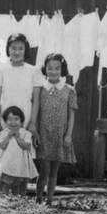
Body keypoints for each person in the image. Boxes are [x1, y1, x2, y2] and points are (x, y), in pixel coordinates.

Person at [0, 33, 44, 161]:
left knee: (23, 154)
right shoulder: (0, 70)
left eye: (20, 48)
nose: (17, 52)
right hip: (6, 115)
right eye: (13, 48)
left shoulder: (34, 71)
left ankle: (22, 181)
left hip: (25, 114)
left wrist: (33, 123)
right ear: (8, 49)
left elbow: (36, 99)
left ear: (25, 50)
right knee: (5, 154)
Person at [36, 52, 78, 204]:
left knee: (54, 171)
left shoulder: (69, 90)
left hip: (60, 135)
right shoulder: (40, 89)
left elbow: (71, 114)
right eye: (50, 68)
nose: (53, 71)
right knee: (44, 169)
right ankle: (38, 198)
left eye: (57, 68)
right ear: (45, 69)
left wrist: (68, 135)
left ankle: (49, 200)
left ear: (62, 70)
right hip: (44, 133)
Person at [0, 105, 37, 197]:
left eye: (16, 119)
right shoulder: (4, 132)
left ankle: (18, 202)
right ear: (5, 122)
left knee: (19, 191)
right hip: (7, 166)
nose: (13, 122)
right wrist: (9, 136)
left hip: (21, 166)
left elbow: (26, 146)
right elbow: (2, 146)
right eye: (9, 119)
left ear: (21, 121)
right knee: (4, 188)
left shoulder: (26, 133)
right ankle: (4, 201)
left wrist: (18, 138)